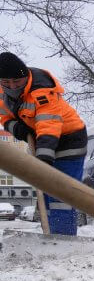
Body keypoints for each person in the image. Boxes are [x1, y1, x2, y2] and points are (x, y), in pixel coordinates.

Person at [0, 52, 87, 236]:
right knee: (46, 192)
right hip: (39, 137)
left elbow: (49, 126)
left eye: (17, 82)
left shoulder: (42, 91)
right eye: (6, 83)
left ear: (26, 76)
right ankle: (50, 233)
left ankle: (63, 237)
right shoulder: (2, 92)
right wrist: (19, 129)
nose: (12, 87)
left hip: (68, 139)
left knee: (61, 191)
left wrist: (44, 159)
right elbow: (4, 117)